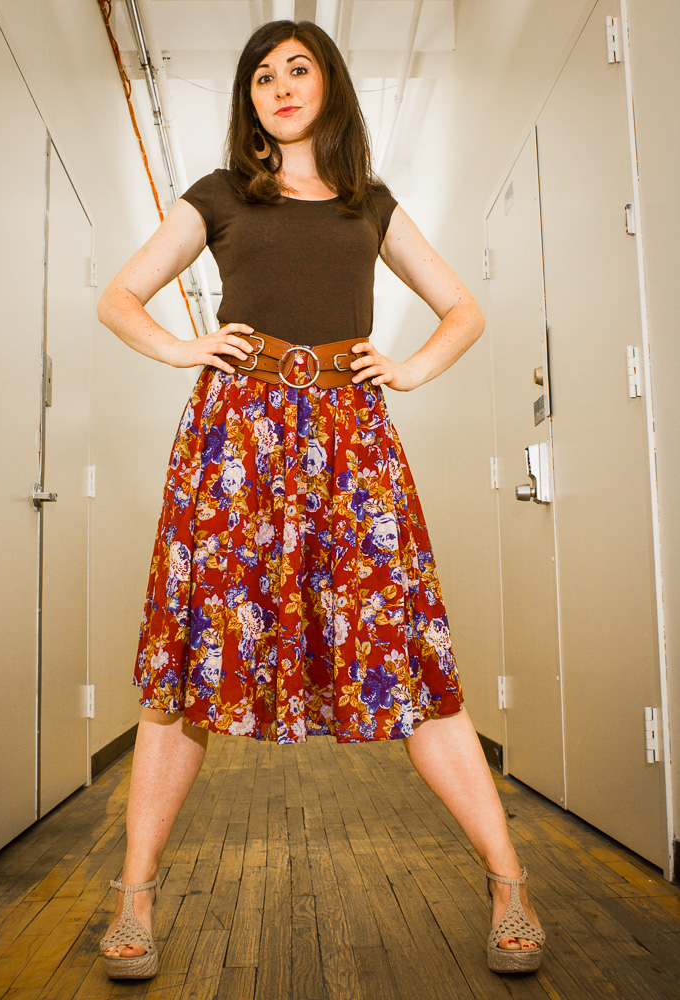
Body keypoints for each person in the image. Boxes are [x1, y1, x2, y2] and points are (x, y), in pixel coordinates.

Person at [95, 18, 546, 981]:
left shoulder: (370, 204)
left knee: (413, 657)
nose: (281, 87)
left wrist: (409, 369)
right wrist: (184, 348)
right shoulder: (220, 195)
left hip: (351, 446)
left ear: (330, 84)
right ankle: (134, 895)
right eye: (263, 77)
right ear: (249, 102)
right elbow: (119, 297)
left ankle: (509, 883)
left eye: (298, 69)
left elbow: (463, 309)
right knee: (187, 675)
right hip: (235, 447)